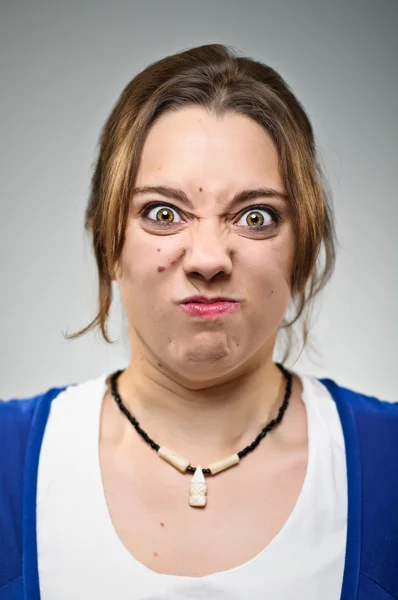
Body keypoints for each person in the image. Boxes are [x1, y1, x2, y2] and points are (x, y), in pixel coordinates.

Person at [0, 43, 397, 600]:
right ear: (109, 240)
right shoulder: (7, 459)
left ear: (301, 250)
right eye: (163, 213)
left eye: (255, 217)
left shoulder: (390, 461)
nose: (208, 258)